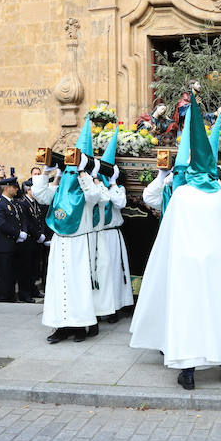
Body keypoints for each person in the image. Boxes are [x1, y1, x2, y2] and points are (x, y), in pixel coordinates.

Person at [131, 92, 221, 390]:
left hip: (188, 265)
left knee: (190, 313)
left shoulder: (183, 195)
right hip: (218, 265)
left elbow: (167, 234)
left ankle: (187, 371)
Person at [31, 118, 108, 343]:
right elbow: (40, 195)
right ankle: (60, 326)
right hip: (60, 241)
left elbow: (94, 197)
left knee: (78, 285)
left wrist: (84, 172)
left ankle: (80, 325)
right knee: (57, 285)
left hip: (79, 243)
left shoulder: (87, 191)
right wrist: (47, 171)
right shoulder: (59, 186)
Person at [93, 125, 134, 321]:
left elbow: (120, 203)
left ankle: (114, 307)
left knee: (115, 271)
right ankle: (100, 306)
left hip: (112, 234)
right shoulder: (95, 187)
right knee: (100, 271)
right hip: (98, 233)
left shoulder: (117, 188)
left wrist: (113, 184)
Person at [0, 177, 32, 303]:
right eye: (14, 187)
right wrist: (18, 233)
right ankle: (3, 298)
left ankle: (12, 296)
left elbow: (23, 219)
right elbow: (1, 224)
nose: (17, 189)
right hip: (5, 244)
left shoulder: (16, 203)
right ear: (7, 188)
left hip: (17, 244)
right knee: (5, 274)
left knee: (14, 272)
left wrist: (23, 231)